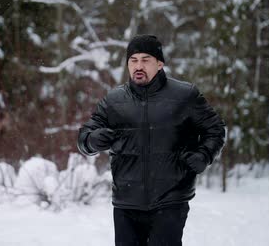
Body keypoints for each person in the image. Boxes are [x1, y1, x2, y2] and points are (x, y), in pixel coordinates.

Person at [77, 34, 226, 246]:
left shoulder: (185, 95)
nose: (139, 66)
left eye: (145, 60)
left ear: (159, 63)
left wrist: (205, 154)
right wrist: (92, 140)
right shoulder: (113, 101)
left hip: (170, 198)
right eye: (133, 60)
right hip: (126, 203)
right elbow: (84, 137)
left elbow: (215, 129)